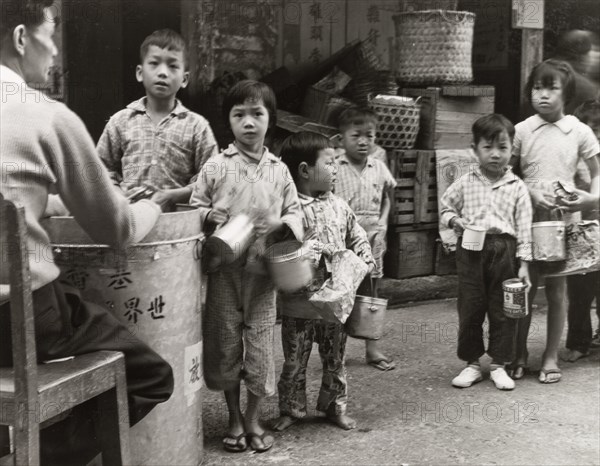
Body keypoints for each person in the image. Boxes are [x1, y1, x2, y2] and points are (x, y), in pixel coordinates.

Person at [0, 1, 174, 463]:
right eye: (50, 35)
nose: (54, 51)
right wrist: (148, 208)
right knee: (152, 376)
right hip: (21, 324)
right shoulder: (45, 116)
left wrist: (46, 199)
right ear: (21, 38)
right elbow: (117, 229)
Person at [189, 80, 303, 453]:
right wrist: (209, 214)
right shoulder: (216, 166)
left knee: (259, 352)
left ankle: (252, 418)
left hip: (262, 277)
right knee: (225, 349)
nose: (249, 122)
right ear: (229, 122)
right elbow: (192, 206)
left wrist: (281, 225)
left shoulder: (280, 171)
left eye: (257, 114)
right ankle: (234, 417)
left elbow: (296, 212)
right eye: (239, 115)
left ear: (271, 120)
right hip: (223, 273)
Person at [272, 131, 375, 433]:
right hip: (299, 305)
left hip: (335, 302)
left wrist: (366, 256)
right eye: (329, 163)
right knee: (294, 362)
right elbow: (274, 249)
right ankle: (291, 408)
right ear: (304, 171)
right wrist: (303, 250)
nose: (335, 169)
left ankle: (334, 407)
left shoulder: (340, 205)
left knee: (335, 360)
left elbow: (356, 233)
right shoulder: (289, 211)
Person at [510, 59, 600, 384]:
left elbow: (597, 171)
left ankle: (549, 356)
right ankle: (519, 353)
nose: (543, 95)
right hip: (527, 219)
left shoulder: (579, 131)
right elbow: (506, 172)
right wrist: (530, 193)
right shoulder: (521, 131)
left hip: (564, 221)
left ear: (568, 93)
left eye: (552, 88)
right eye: (537, 87)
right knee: (525, 287)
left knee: (558, 291)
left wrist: (592, 198)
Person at [439, 114, 533, 390]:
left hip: (505, 250)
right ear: (474, 149)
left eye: (502, 148)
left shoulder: (517, 188)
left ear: (511, 150)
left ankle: (498, 364)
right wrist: (455, 222)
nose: (495, 155)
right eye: (488, 148)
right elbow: (446, 208)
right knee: (470, 307)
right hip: (470, 251)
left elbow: (525, 228)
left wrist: (525, 264)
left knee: (504, 309)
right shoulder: (466, 182)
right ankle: (471, 363)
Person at [97, 28, 218, 212]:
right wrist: (117, 194)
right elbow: (101, 170)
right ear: (140, 72)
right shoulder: (120, 121)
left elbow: (212, 178)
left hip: (178, 225)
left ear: (184, 79)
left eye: (172, 66)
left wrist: (176, 195)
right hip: (130, 220)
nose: (163, 72)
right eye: (154, 63)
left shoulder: (197, 126)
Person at [333, 107, 397, 371]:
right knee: (340, 293)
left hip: (372, 237)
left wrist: (383, 220)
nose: (363, 141)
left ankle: (373, 349)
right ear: (341, 138)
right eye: (356, 135)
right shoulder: (332, 166)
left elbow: (387, 198)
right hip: (343, 238)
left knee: (371, 293)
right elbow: (317, 197)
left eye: (369, 136)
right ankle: (336, 351)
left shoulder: (379, 167)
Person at [561, 99, 600, 361]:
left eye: (598, 127)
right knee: (578, 293)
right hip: (580, 236)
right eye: (587, 126)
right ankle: (578, 342)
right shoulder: (572, 159)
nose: (593, 132)